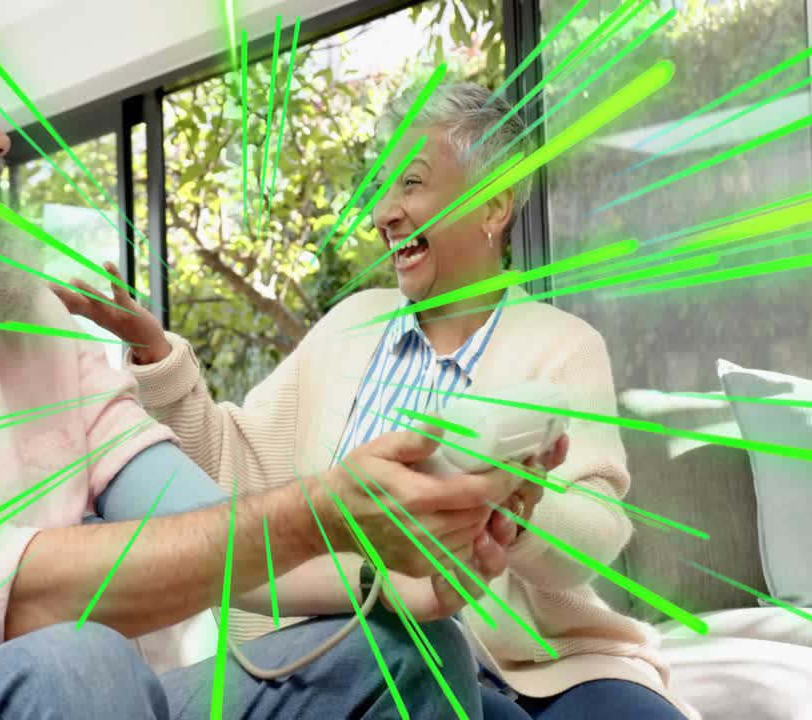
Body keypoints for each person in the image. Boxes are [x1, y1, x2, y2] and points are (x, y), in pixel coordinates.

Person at [0, 2, 554, 718]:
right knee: (73, 665)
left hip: (110, 699)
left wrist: (395, 569)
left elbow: (198, 521)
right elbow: (26, 605)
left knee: (408, 654)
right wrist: (317, 507)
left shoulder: (32, 326)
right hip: (28, 692)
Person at [56, 81, 699, 720]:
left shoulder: (563, 347)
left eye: (411, 184)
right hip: (362, 648)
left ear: (493, 206)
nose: (383, 212)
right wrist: (155, 357)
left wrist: (515, 511)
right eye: (382, 189)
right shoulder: (348, 327)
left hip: (543, 666)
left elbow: (597, 532)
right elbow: (229, 462)